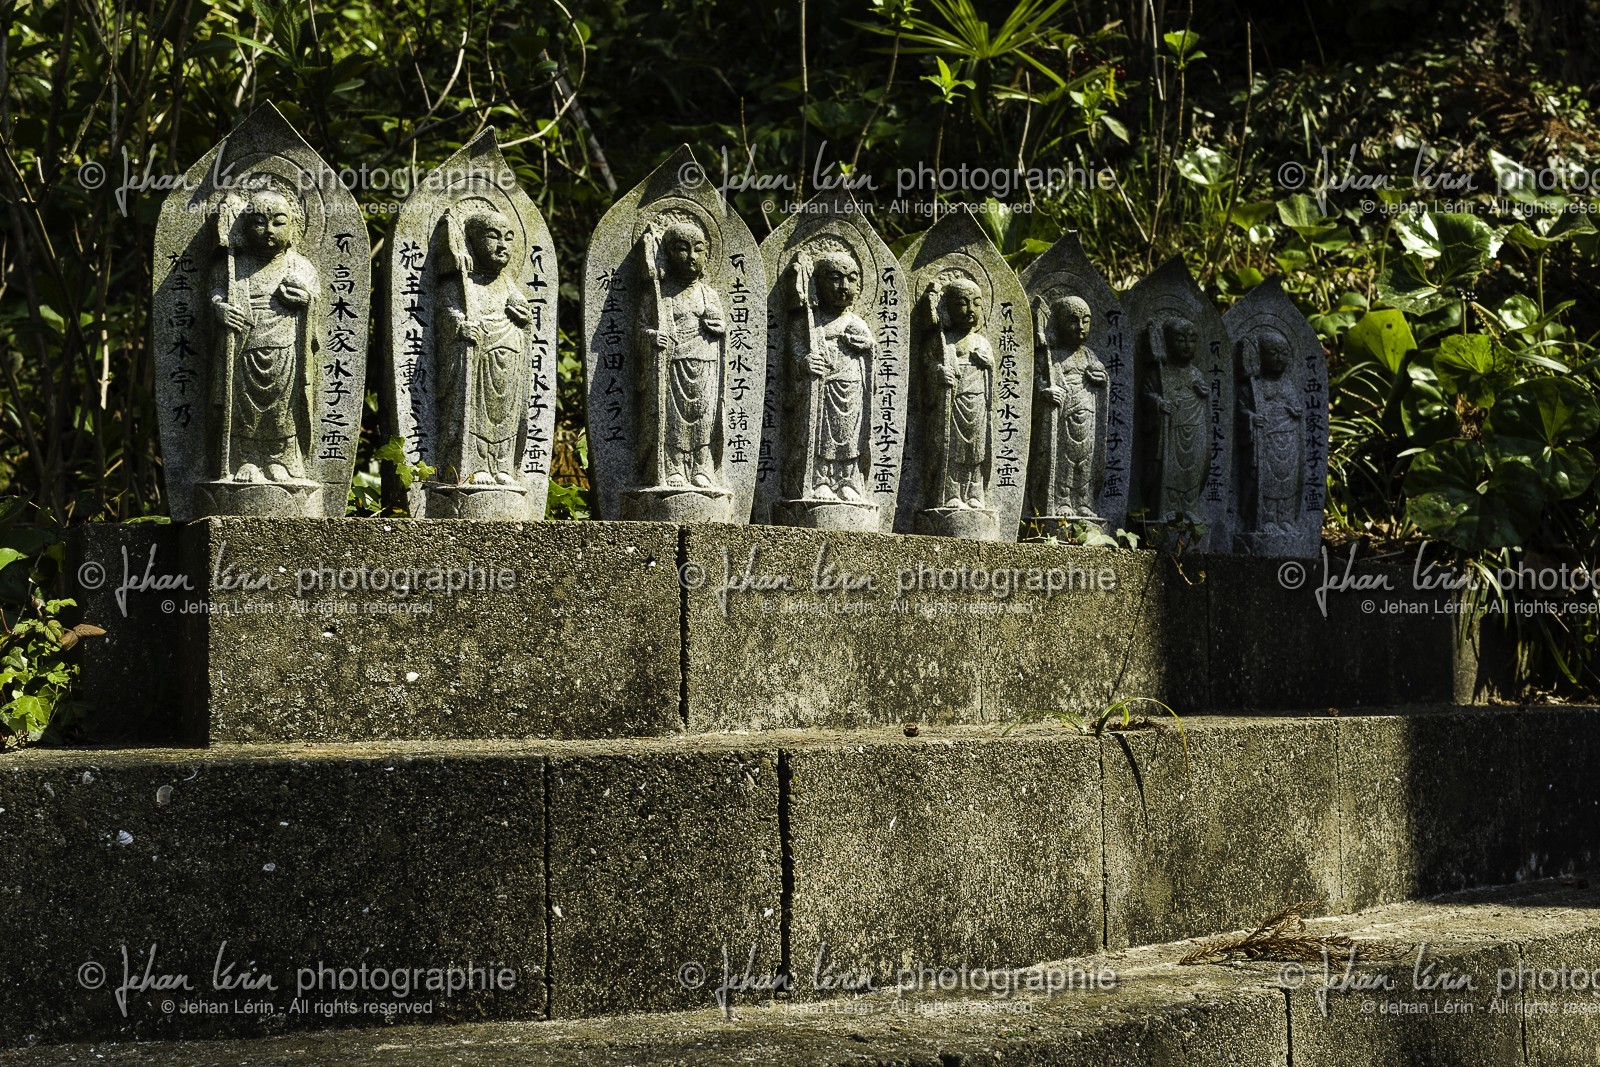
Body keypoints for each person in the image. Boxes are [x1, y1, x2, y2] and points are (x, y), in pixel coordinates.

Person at [209, 186, 317, 482]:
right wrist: (219, 308)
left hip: (286, 347)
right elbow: (216, 293)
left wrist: (306, 301)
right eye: (258, 222)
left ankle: (278, 459)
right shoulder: (231, 266)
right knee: (243, 407)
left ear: (292, 226)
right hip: (243, 344)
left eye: (278, 222)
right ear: (244, 226)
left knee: (282, 409)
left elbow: (314, 300)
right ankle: (245, 459)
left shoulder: (300, 265)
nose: (268, 230)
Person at [435, 207, 532, 485]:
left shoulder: (508, 284)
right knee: (476, 413)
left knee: (506, 416)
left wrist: (525, 320)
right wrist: (459, 327)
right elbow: (446, 312)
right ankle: (473, 465)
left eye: (509, 238)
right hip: (476, 361)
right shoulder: (462, 284)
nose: (502, 245)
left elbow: (524, 321)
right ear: (474, 242)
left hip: (510, 361)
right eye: (493, 237)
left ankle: (502, 464)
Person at [638, 219, 726, 489]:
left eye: (698, 250)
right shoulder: (659, 295)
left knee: (703, 416)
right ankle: (673, 465)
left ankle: (702, 464)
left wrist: (720, 328)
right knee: (672, 419)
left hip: (706, 364)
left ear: (707, 254)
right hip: (671, 364)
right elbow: (641, 329)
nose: (691, 257)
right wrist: (653, 336)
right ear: (667, 253)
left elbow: (722, 333)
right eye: (682, 249)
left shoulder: (708, 294)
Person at [789, 250, 873, 501]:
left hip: (852, 387)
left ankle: (848, 479)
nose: (843, 286)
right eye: (835, 278)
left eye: (851, 279)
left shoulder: (858, 323)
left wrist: (867, 348)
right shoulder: (807, 323)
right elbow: (794, 355)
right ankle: (820, 479)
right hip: (821, 388)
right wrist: (804, 364)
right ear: (819, 282)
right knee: (819, 434)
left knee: (850, 436)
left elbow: (870, 356)